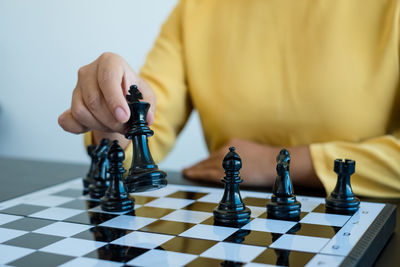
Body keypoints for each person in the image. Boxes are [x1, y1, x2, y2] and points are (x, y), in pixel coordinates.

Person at [58, 0, 400, 198]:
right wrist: (111, 111)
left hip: (373, 224)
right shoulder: (197, 8)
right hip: (232, 233)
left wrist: (283, 164)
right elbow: (141, 140)